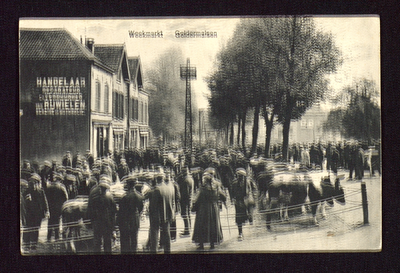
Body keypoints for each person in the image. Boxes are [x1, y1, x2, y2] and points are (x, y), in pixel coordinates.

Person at [192, 173, 226, 250]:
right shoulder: (216, 188)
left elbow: (197, 200)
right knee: (213, 226)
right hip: (214, 209)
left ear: (206, 180)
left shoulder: (202, 189)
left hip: (203, 210)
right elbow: (223, 196)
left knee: (201, 226)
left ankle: (201, 245)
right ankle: (212, 244)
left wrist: (194, 206)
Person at [87, 177, 117, 253]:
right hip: (107, 223)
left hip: (96, 222)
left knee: (97, 242)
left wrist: (91, 221)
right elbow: (114, 211)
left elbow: (89, 208)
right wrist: (113, 226)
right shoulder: (109, 196)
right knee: (107, 242)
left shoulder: (93, 193)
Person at [149, 173, 175, 254]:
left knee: (154, 234)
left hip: (158, 216)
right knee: (167, 233)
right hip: (167, 214)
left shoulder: (157, 189)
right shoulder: (170, 187)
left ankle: (154, 251)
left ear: (156, 180)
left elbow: (153, 205)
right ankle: (167, 250)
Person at [22, 174, 49, 252]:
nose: (33, 185)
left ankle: (33, 245)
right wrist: (27, 200)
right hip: (29, 214)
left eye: (34, 183)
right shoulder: (26, 191)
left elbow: (44, 202)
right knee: (28, 228)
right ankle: (26, 244)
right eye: (31, 183)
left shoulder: (41, 191)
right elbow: (23, 203)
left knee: (36, 229)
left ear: (37, 184)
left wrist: (47, 211)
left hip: (38, 214)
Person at [117, 176, 144, 254]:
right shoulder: (139, 196)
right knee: (134, 239)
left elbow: (121, 211)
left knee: (125, 240)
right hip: (135, 220)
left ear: (128, 185)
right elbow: (141, 208)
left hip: (125, 220)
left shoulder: (124, 197)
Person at [231, 168, 256, 240]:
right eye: (238, 176)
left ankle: (250, 218)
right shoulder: (234, 183)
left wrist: (253, 196)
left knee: (250, 215)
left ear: (244, 176)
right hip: (239, 202)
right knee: (239, 218)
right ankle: (240, 233)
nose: (240, 178)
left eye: (241, 176)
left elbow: (254, 189)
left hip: (248, 200)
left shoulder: (249, 181)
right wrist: (233, 199)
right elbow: (232, 192)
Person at [46, 172, 68, 242]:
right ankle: (56, 237)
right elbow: (66, 198)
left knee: (50, 222)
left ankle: (48, 237)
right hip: (58, 208)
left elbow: (46, 197)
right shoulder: (61, 187)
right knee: (57, 222)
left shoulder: (49, 186)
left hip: (50, 207)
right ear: (60, 180)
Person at [176, 166, 194, 237]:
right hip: (189, 199)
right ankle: (188, 228)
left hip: (185, 200)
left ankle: (187, 231)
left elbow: (184, 192)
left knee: (184, 214)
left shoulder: (185, 180)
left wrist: (179, 199)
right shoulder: (190, 178)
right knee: (188, 214)